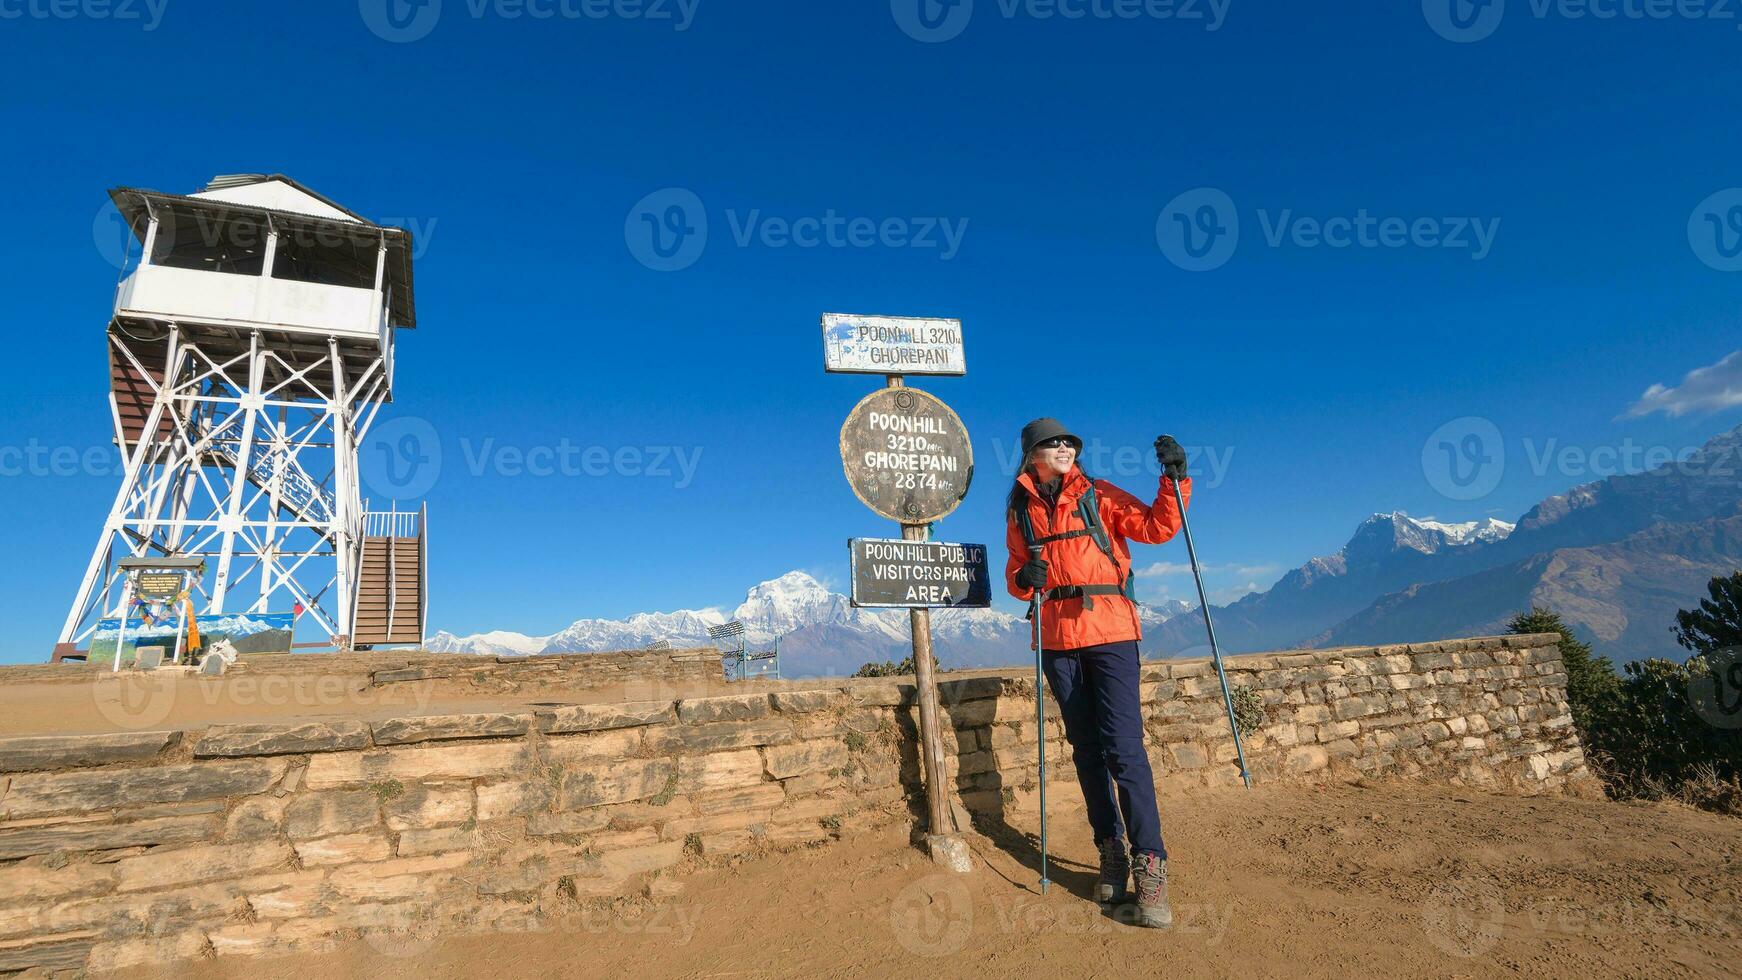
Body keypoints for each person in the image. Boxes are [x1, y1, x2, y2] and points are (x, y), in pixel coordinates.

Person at [1004, 417, 1191, 929]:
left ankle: (1149, 864)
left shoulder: (1099, 494)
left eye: (1069, 442)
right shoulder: (1021, 509)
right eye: (1052, 442)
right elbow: (1016, 574)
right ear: (1032, 454)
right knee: (1086, 750)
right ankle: (1109, 850)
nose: (1063, 447)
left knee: (1124, 749)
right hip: (1057, 642)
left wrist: (1173, 480)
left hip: (1110, 634)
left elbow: (1158, 527)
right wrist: (1025, 577)